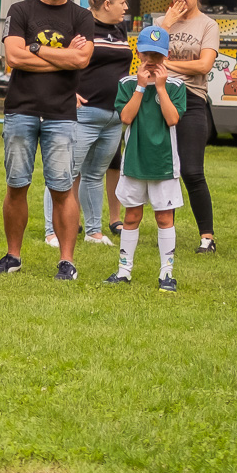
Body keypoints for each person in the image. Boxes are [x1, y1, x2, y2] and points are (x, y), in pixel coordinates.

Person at [0, 0, 95, 278]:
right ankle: (13, 256)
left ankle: (67, 261)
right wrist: (63, 57)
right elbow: (14, 57)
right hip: (21, 110)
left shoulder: (82, 17)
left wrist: (34, 47)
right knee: (16, 185)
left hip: (61, 114)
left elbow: (82, 59)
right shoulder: (20, 10)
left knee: (62, 188)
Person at [41, 0, 132, 246]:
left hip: (114, 117)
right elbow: (57, 59)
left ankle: (93, 232)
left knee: (94, 175)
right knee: (64, 174)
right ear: (107, 4)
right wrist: (66, 91)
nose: (126, 7)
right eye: (123, 3)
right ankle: (52, 231)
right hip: (83, 115)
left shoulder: (120, 29)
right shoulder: (81, 26)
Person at [103, 27, 186, 292]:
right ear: (138, 53)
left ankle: (166, 274)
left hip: (164, 163)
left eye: (157, 55)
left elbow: (172, 119)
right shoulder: (127, 84)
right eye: (147, 54)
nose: (151, 60)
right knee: (131, 216)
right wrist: (141, 86)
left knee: (164, 218)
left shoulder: (175, 86)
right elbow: (126, 117)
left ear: (166, 55)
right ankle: (123, 271)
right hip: (134, 162)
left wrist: (160, 88)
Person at [159, 0, 221, 253]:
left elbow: (204, 65)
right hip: (161, 97)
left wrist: (167, 63)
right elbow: (147, 57)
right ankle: (165, 233)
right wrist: (165, 25)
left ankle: (207, 237)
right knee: (163, 169)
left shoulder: (208, 25)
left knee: (192, 171)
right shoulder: (162, 22)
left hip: (192, 99)